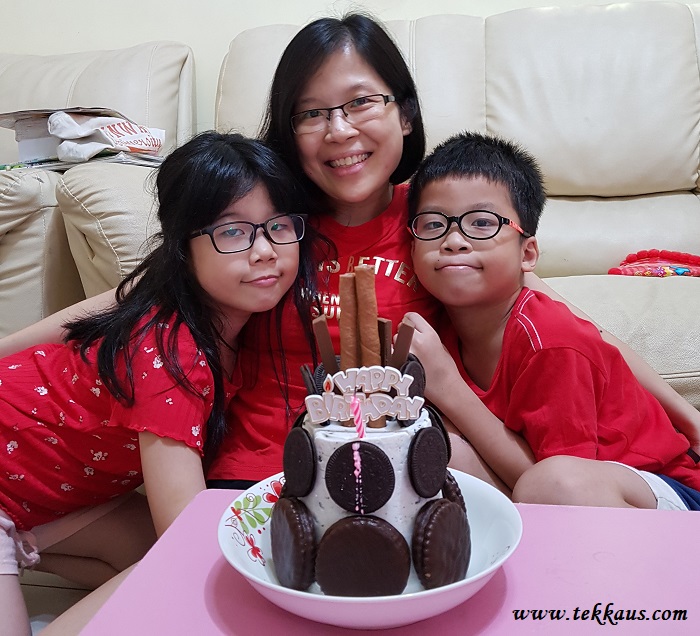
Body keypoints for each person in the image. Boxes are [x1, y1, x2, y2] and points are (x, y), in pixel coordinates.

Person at [2, 14, 699, 489]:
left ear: (405, 114)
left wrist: (690, 419)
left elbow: (565, 320)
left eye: (362, 102)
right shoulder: (271, 223)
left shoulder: (437, 220)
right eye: (312, 112)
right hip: (261, 467)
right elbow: (133, 298)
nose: (339, 131)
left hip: (406, 462)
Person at [0, 131, 316, 635]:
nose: (264, 251)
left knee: (146, 553)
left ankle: (21, 548)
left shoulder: (186, 301)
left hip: (38, 499)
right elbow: (184, 536)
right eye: (233, 231)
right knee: (192, 566)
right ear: (182, 245)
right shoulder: (174, 353)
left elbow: (101, 305)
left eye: (278, 226)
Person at [405, 131, 700, 510]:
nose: (454, 240)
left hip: (662, 492)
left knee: (553, 483)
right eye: (433, 225)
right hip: (559, 494)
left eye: (482, 223)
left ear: (527, 254)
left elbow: (554, 486)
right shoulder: (438, 329)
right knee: (437, 448)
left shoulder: (551, 340)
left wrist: (448, 386)